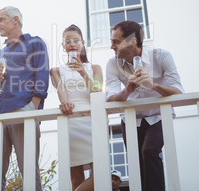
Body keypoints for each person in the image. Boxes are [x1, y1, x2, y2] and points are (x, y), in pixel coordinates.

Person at [105, 20, 184, 191]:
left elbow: (178, 92)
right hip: (131, 120)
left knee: (149, 150)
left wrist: (153, 86)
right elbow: (110, 99)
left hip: (159, 116)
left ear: (132, 41)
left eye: (115, 41)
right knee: (136, 164)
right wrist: (126, 91)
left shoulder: (161, 56)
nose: (111, 46)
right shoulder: (112, 64)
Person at [0, 6, 49, 191]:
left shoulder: (35, 43)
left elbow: (42, 77)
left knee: (28, 171)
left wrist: (32, 109)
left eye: (1, 19)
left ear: (15, 20)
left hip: (22, 110)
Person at [50, 24, 103, 191]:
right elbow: (62, 93)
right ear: (63, 46)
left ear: (83, 43)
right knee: (76, 177)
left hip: (92, 121)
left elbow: (97, 93)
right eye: (67, 41)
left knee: (101, 173)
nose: (72, 44)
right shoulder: (56, 70)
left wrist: (83, 73)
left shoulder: (94, 68)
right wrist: (65, 103)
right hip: (71, 121)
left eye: (76, 40)